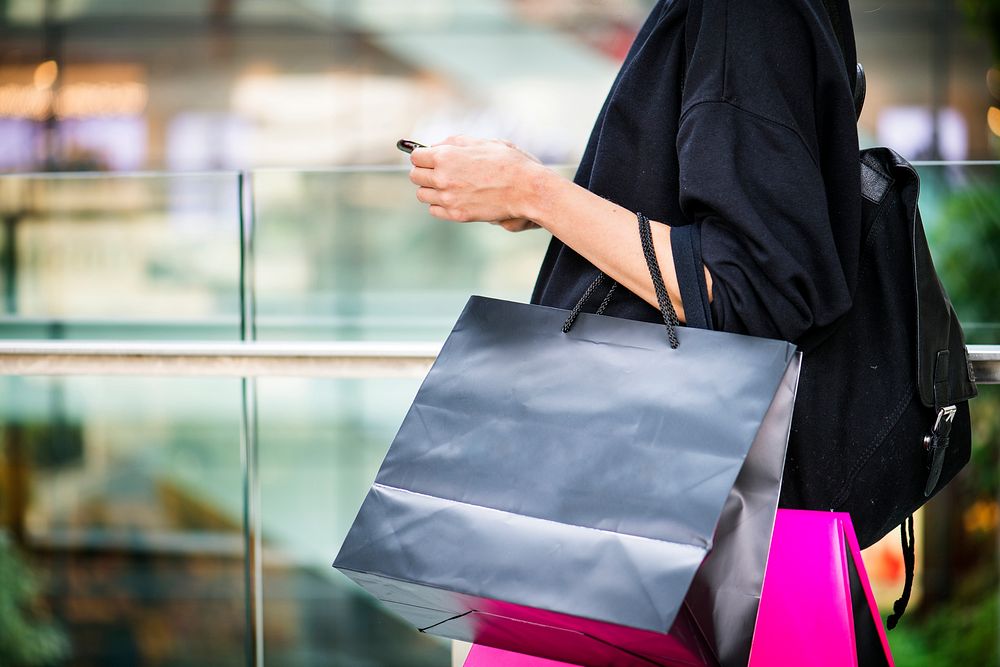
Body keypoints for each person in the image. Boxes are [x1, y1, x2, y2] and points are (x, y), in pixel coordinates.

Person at [407, 0, 861, 511]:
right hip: (662, 478)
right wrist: (535, 198)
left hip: (668, 501)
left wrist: (532, 191)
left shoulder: (745, 15)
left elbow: (749, 292)